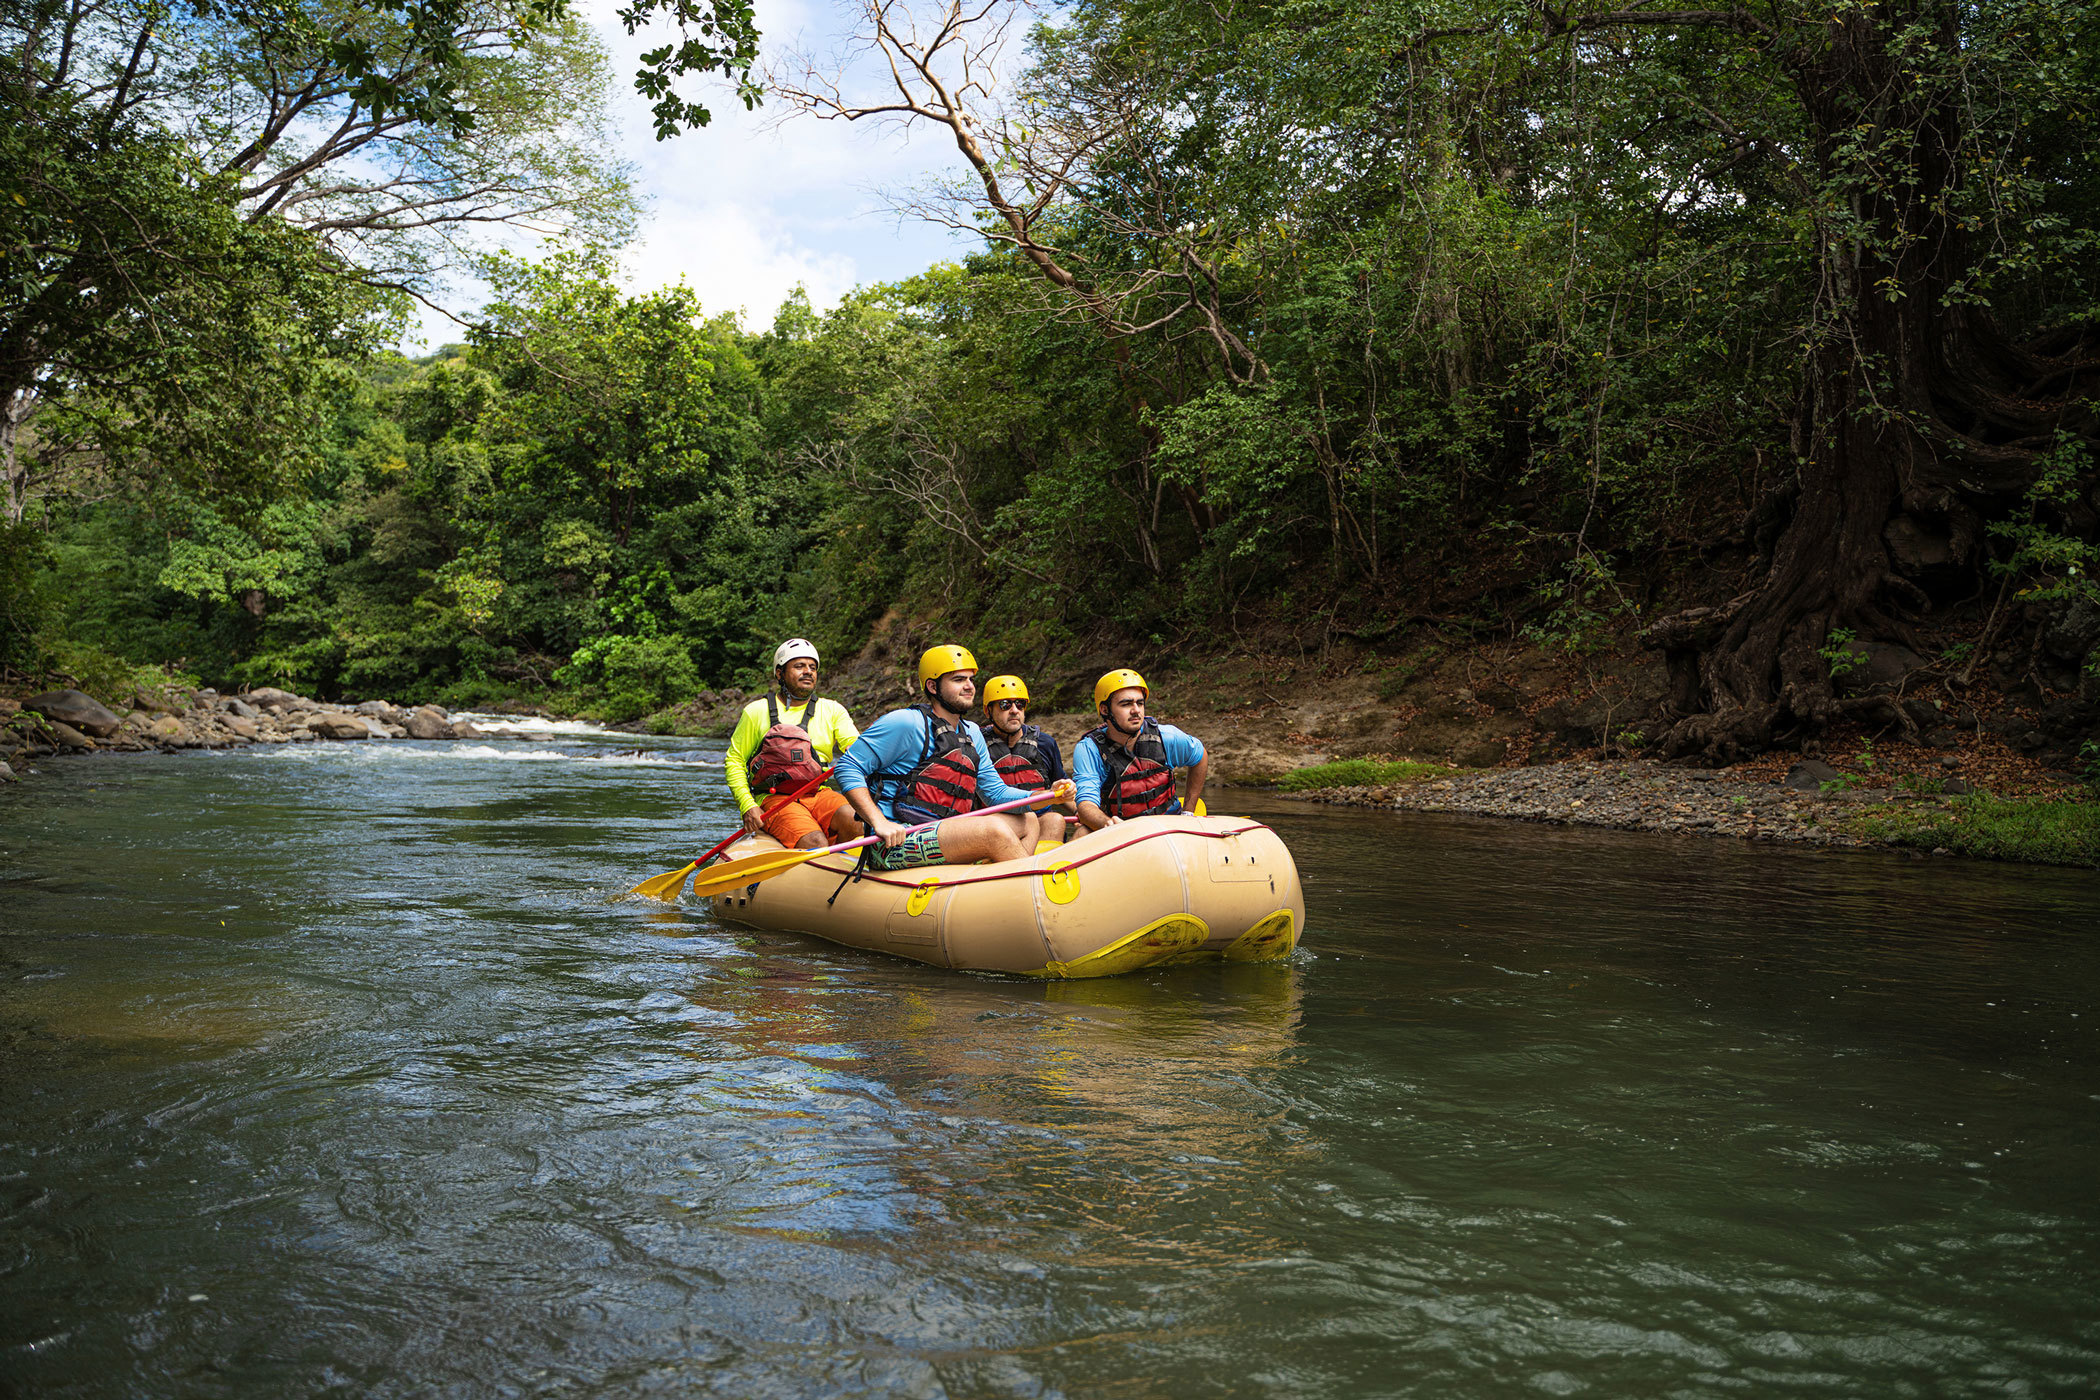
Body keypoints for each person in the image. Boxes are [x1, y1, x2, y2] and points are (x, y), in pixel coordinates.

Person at [835, 645, 1074, 869]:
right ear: (932, 686)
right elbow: (847, 766)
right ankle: (1030, 885)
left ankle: (997, 883)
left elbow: (996, 794)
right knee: (992, 829)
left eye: (971, 679)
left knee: (1028, 819)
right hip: (897, 839)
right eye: (958, 680)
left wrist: (1046, 795)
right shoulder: (906, 723)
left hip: (946, 830)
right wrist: (879, 822)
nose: (969, 686)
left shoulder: (972, 733)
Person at [722, 638, 863, 850]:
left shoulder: (833, 710)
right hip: (773, 798)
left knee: (857, 822)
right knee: (815, 841)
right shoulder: (756, 712)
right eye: (799, 666)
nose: (808, 671)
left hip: (818, 794)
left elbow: (857, 748)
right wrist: (747, 806)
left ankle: (842, 867)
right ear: (780, 673)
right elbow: (735, 761)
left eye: (812, 667)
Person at [1072, 668, 1208, 831]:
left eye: (1140, 703)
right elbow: (1086, 805)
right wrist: (1107, 824)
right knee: (1082, 832)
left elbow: (1200, 756)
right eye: (1126, 704)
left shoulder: (1166, 736)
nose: (1136, 710)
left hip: (1170, 826)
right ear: (1105, 710)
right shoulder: (1089, 749)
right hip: (1121, 830)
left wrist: (1188, 812)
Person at [980, 674, 1073, 845]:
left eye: (1020, 704)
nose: (1014, 710)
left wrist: (1086, 814)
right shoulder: (977, 745)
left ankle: (1043, 868)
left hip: (1041, 819)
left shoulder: (1045, 743)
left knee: (1055, 820)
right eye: (1005, 704)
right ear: (988, 711)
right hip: (995, 824)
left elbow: (1063, 791)